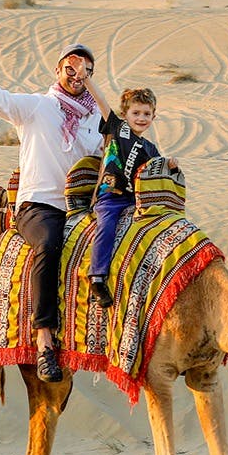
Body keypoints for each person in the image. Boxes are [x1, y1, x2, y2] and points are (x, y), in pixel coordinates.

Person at [0, 16, 102, 382]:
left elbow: (121, 139)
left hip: (81, 207)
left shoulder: (94, 117)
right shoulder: (37, 107)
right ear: (58, 68)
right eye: (72, 66)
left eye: (86, 69)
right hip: (39, 206)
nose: (78, 73)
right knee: (48, 245)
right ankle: (44, 339)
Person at [78, 79, 176, 308]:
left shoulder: (151, 149)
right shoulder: (116, 127)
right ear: (125, 113)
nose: (141, 118)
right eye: (136, 113)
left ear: (153, 116)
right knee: (107, 225)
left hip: (135, 199)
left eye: (147, 113)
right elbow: (100, 100)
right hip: (110, 195)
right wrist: (86, 79)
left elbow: (158, 171)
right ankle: (97, 277)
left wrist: (170, 165)